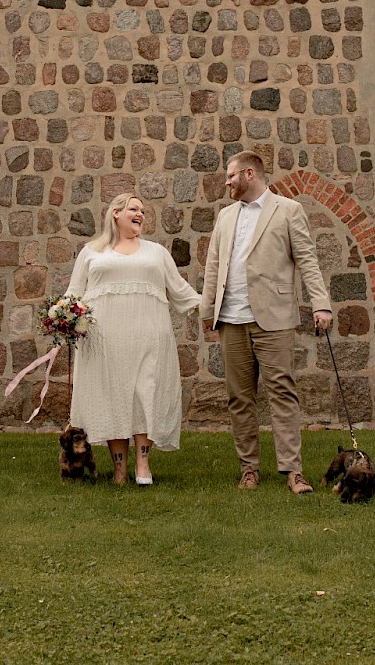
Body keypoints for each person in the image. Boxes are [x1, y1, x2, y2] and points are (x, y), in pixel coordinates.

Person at [200, 151, 334, 494]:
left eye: (231, 175)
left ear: (249, 173)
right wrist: (207, 311)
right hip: (231, 320)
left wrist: (321, 304)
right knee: (239, 398)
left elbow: (307, 259)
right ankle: (249, 469)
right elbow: (214, 267)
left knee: (282, 393)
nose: (227, 181)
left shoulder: (288, 210)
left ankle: (293, 471)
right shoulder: (225, 217)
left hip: (273, 319)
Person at [67, 192, 200, 485]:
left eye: (142, 211)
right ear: (116, 213)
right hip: (104, 339)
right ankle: (118, 470)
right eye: (133, 209)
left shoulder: (156, 252)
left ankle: (143, 465)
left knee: (145, 394)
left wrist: (212, 305)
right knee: (114, 397)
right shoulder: (92, 251)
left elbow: (180, 291)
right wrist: (61, 316)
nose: (140, 214)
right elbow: (74, 292)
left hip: (149, 334)